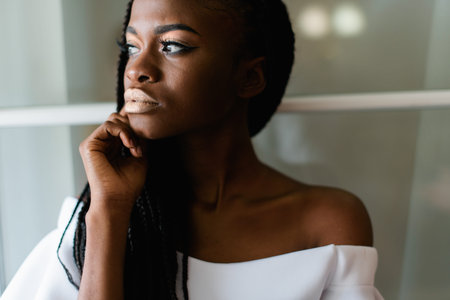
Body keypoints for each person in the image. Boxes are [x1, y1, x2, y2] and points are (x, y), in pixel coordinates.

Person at [1, 0, 383, 299]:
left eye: (172, 46)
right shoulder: (88, 227)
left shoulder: (327, 222)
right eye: (131, 46)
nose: (137, 70)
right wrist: (109, 212)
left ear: (249, 77)